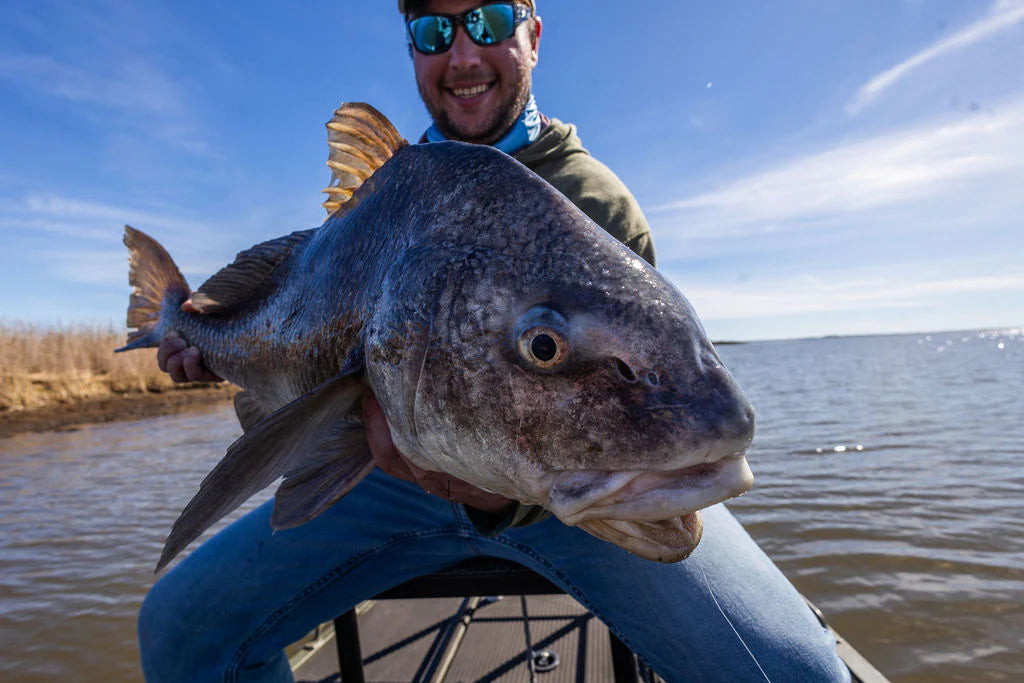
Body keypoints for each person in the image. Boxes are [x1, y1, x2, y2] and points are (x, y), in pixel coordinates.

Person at [139, 2, 851, 681]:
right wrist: (209, 341)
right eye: (431, 30)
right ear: (412, 49)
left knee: (800, 673)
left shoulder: (599, 201)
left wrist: (508, 484)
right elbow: (299, 376)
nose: (462, 52)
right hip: (390, 481)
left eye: (487, 20)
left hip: (570, 496)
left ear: (533, 35)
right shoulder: (384, 210)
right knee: (177, 630)